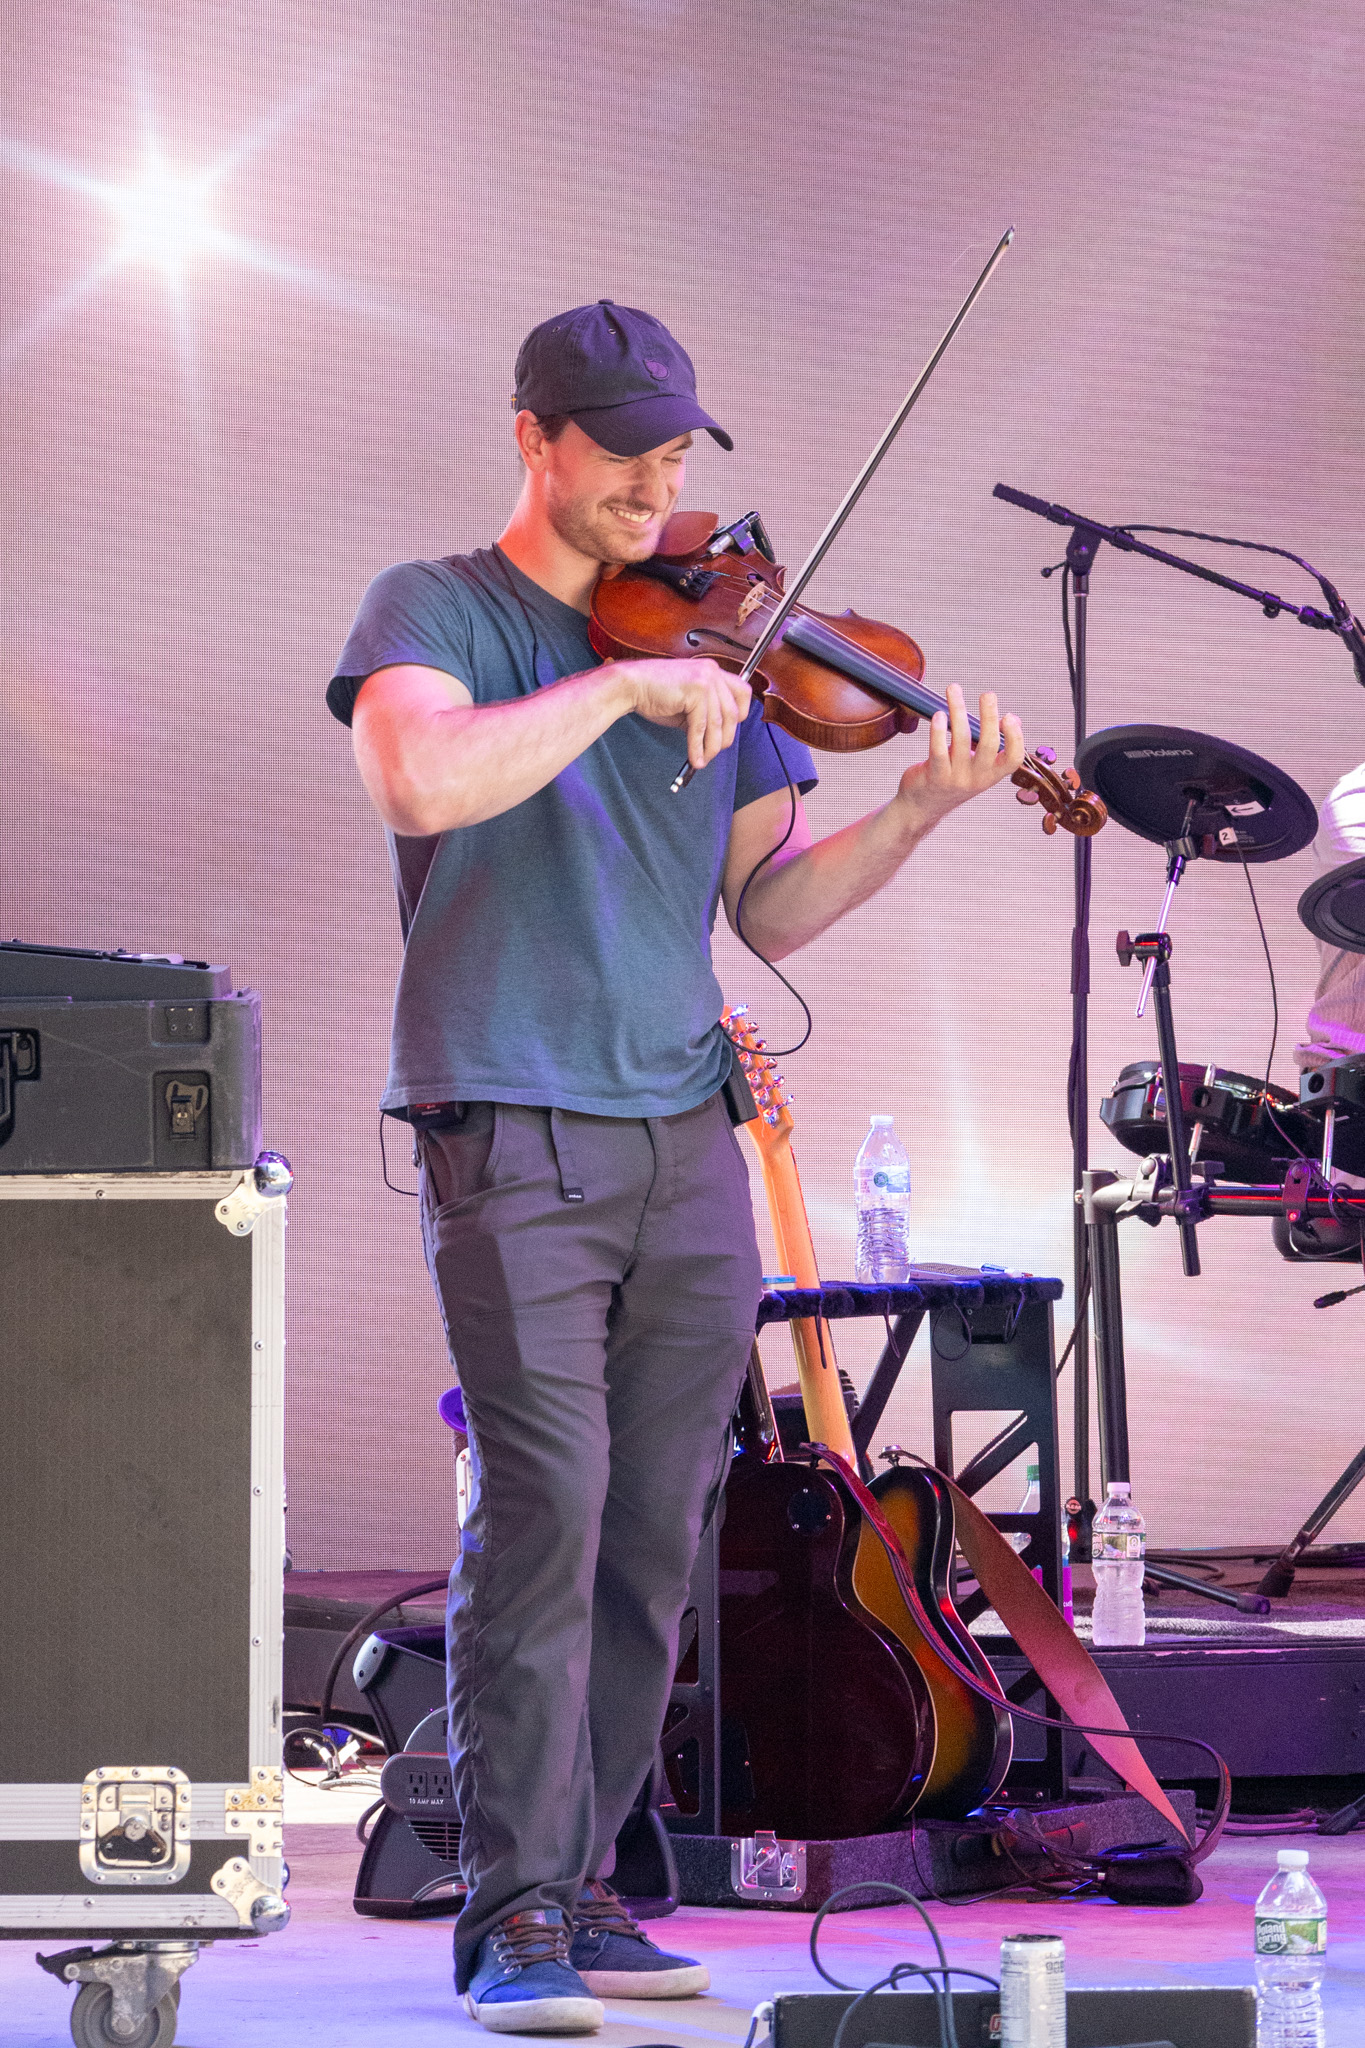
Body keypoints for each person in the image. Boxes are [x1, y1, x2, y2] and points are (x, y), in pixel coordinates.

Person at [327, 299, 1024, 2034]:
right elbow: (418, 780)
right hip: (512, 1115)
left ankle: (587, 1887)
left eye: (676, 452)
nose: (657, 484)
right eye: (624, 450)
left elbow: (771, 905)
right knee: (544, 1515)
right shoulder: (437, 610)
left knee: (655, 1532)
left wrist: (916, 809)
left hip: (683, 1127)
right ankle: (509, 1913)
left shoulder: (728, 642)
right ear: (534, 439)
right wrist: (619, 685)